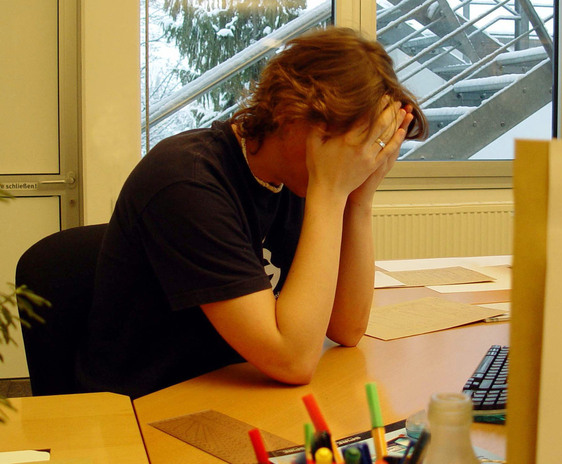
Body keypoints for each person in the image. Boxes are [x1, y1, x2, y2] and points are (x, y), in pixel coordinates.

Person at [76, 26, 428, 399]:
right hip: (147, 406)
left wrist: (360, 198)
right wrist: (330, 192)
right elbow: (292, 360)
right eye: (348, 144)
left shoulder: (299, 178)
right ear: (290, 113)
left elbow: (347, 327)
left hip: (239, 387)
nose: (353, 160)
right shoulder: (187, 182)